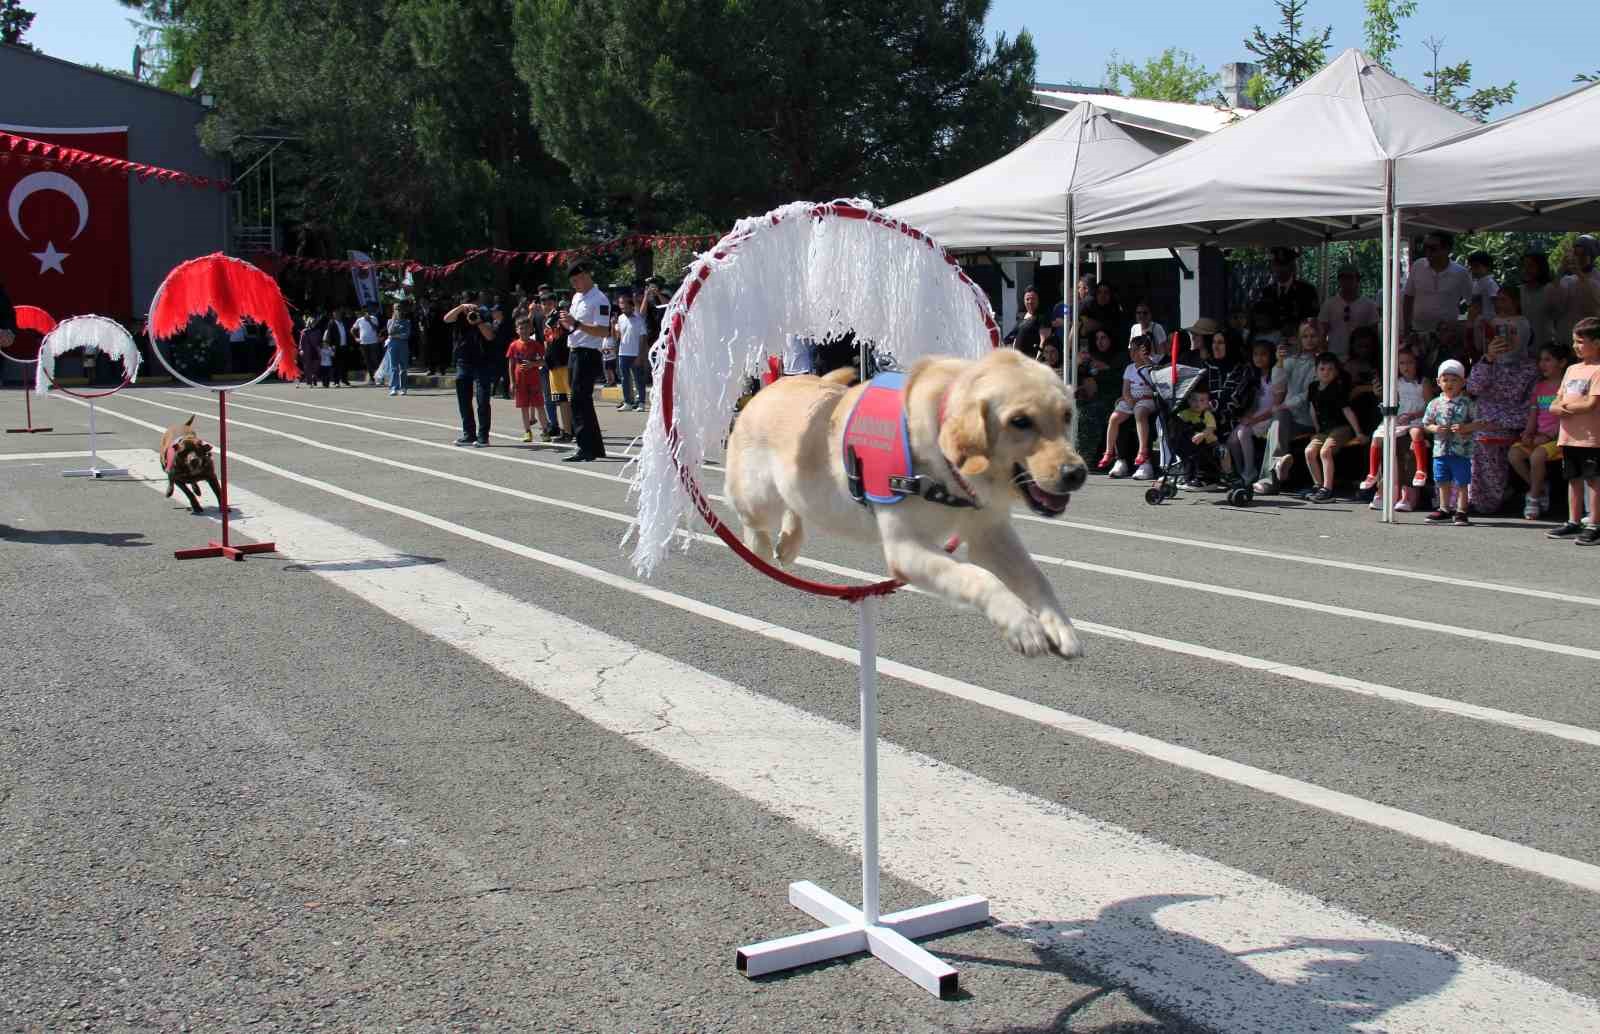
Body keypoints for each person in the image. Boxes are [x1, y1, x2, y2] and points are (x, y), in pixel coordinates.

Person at [1462, 326, 1536, 515]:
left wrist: (1501, 421)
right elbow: (1473, 387)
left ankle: (1486, 500)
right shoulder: (1488, 362)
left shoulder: (1531, 368)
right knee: (1456, 435)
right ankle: (1462, 498)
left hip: (1510, 422)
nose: (1507, 339)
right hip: (1480, 420)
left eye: (1513, 333)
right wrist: (1489, 359)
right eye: (1503, 333)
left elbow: (1532, 405)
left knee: (1484, 440)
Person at [1252, 319, 1324, 495]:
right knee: (1277, 421)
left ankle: (1269, 479)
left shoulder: (1323, 362)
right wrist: (1279, 362)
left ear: (1321, 337)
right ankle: (1276, 466)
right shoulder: (1294, 359)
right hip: (1289, 415)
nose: (1309, 340)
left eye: (1313, 336)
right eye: (1305, 336)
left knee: (1277, 421)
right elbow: (1278, 384)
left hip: (1310, 417)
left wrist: (1284, 405)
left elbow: (1309, 393)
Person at [1546, 318, 1600, 544]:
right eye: (1574, 342)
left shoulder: (1598, 370)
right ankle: (1573, 521)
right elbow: (1554, 402)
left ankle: (1595, 524)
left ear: (1597, 342)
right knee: (1573, 479)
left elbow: (1590, 403)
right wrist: (1559, 406)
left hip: (1591, 438)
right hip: (1568, 437)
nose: (1576, 346)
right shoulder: (1571, 369)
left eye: (1580, 342)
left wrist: (1564, 407)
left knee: (1593, 481)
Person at [1361, 348, 1429, 513]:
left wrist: (1413, 414)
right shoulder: (1396, 382)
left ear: (1416, 363)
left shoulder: (1423, 382)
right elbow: (1393, 403)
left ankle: (1420, 471)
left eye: (1410, 362)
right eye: (1402, 363)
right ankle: (1373, 475)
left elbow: (1429, 405)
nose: (1406, 366)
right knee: (1378, 436)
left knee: (1415, 434)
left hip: (1417, 418)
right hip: (1400, 419)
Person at [1509, 344, 1570, 520]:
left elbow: (1566, 417)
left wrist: (1548, 436)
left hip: (1559, 439)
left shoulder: (1566, 387)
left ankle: (1534, 497)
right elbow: (1533, 415)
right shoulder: (1539, 387)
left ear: (1562, 362)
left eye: (1547, 360)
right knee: (1514, 454)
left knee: (1537, 456)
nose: (1542, 364)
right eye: (1540, 360)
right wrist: (1528, 433)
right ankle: (1540, 487)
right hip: (1539, 438)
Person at [1421, 359, 1484, 526]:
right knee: (1442, 480)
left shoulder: (1468, 403)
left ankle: (1462, 510)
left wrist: (1465, 427)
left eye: (1454, 380)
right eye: (1445, 380)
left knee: (1462, 481)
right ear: (1438, 382)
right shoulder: (1434, 403)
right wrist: (1435, 429)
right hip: (1440, 450)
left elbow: (1479, 422)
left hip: (1461, 450)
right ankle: (1444, 508)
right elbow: (1426, 423)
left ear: (1463, 382)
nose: (1449, 383)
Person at [561, 259, 609, 462]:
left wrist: (577, 324)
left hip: (588, 353)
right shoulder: (577, 297)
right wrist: (566, 323)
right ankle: (595, 447)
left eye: (576, 280)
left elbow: (603, 330)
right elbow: (574, 326)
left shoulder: (599, 299)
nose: (574, 285)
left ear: (585, 276)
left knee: (580, 400)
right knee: (582, 401)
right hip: (574, 350)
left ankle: (585, 447)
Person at [1303, 352, 1365, 503]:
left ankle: (1327, 488)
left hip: (1341, 428)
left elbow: (1347, 410)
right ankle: (1318, 485)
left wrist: (1358, 432)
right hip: (1324, 430)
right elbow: (1312, 408)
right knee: (1309, 451)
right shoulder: (1313, 387)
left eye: (1330, 369)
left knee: (1325, 451)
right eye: (1322, 369)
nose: (1326, 372)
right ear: (1316, 371)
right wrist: (1317, 429)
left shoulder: (1337, 388)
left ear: (1336, 372)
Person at [1098, 334, 1157, 479]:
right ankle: (1109, 452)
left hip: (1147, 400)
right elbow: (1125, 390)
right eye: (1131, 349)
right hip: (1132, 400)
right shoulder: (1129, 368)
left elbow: (1157, 383)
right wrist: (1129, 400)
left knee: (1140, 412)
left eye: (1136, 350)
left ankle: (1143, 452)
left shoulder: (1151, 366)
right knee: (1114, 418)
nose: (1131, 353)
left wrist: (1147, 361)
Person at [444, 290, 497, 447]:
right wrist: (461, 308)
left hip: (482, 361)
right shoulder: (459, 313)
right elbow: (446, 319)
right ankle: (469, 434)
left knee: (482, 400)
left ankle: (483, 436)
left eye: (472, 304)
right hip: (463, 360)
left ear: (478, 302)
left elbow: (490, 336)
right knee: (464, 400)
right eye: (467, 303)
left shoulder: (484, 313)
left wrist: (478, 321)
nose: (470, 309)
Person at [1403, 232, 1471, 344]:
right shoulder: (1418, 266)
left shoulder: (1461, 273)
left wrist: (1465, 329)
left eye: (1432, 248)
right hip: (1418, 332)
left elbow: (1472, 303)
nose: (1428, 252)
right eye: (1425, 248)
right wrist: (1406, 328)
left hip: (1448, 335)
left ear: (1447, 249)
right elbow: (1408, 297)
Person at [1074, 327, 1125, 463]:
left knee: (1091, 412)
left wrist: (1106, 368)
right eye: (1097, 339)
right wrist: (1078, 364)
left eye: (1103, 338)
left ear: (1110, 339)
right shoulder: (1093, 356)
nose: (1100, 342)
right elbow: (1082, 376)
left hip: (1113, 397)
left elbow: (1121, 379)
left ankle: (1089, 456)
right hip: (1093, 396)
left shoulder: (1120, 357)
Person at [1228, 341, 1276, 484]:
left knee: (1244, 433)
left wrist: (1255, 419)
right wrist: (1247, 415)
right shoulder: (1253, 376)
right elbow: (1251, 402)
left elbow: (1275, 406)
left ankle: (1250, 471)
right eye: (1256, 354)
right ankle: (1240, 470)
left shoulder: (1276, 376)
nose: (1259, 358)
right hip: (1255, 416)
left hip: (1270, 416)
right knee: (1232, 440)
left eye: (1263, 354)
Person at [1249, 247, 1319, 339]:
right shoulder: (1267, 291)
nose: (1280, 269)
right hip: (1272, 340)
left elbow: (1313, 317)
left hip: (1297, 339)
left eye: (1284, 265)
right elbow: (1259, 317)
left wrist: (1298, 328)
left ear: (1292, 267)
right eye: (1276, 265)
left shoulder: (1306, 290)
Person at [1318, 265, 1380, 358]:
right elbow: (1322, 333)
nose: (1347, 281)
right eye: (1343, 278)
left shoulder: (1369, 305)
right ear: (1339, 281)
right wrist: (1324, 354)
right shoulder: (1329, 304)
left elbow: (1374, 333)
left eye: (1350, 277)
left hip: (1361, 358)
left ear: (1357, 280)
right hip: (1335, 356)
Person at [507, 315, 550, 443]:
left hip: (534, 380)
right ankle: (527, 431)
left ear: (531, 329)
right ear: (516, 330)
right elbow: (511, 364)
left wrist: (533, 364)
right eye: (521, 328)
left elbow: (544, 362)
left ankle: (545, 431)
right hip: (520, 381)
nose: (524, 331)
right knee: (524, 407)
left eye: (526, 328)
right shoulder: (514, 345)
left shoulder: (536, 345)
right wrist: (512, 382)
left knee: (539, 406)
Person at [1554, 235, 1600, 350]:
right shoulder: (1567, 279)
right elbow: (1552, 301)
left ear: (1592, 257)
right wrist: (1561, 270)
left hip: (1589, 342)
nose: (1578, 258)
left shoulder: (1597, 278)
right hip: (1565, 339)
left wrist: (1578, 273)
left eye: (1583, 255)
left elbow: (1594, 302)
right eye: (1576, 254)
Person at [1172, 384, 1220, 486]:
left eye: (1202, 400)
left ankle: (1202, 478)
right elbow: (1177, 420)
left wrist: (1202, 434)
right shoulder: (1184, 413)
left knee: (1201, 458)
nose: (1197, 403)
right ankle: (1188, 477)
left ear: (1207, 403)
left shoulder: (1207, 414)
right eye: (1194, 400)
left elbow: (1211, 428)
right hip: (1192, 443)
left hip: (1208, 443)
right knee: (1188, 456)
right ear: (1188, 401)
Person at [542, 295, 574, 443]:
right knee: (561, 400)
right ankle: (567, 431)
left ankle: (576, 429)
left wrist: (562, 317)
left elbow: (571, 330)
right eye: (543, 303)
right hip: (553, 364)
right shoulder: (546, 321)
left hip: (565, 362)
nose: (546, 305)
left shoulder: (560, 316)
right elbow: (547, 341)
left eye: (549, 302)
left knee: (571, 398)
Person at [614, 288, 649, 411]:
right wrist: (614, 329)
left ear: (630, 304)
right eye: (620, 304)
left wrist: (640, 356)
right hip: (623, 353)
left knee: (639, 378)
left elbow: (643, 337)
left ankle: (641, 403)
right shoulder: (620, 318)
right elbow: (618, 337)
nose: (622, 307)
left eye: (624, 304)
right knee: (624, 379)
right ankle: (628, 402)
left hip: (635, 353)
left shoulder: (638, 318)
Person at [1519, 252, 1558, 356]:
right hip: (1524, 349)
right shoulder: (1520, 291)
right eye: (1524, 266)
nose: (1526, 270)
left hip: (1546, 348)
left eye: (1530, 266)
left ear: (1541, 268)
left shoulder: (1550, 289)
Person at [1004, 285, 1051, 360]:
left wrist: (1037, 360)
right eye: (1027, 299)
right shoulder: (1021, 316)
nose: (1030, 302)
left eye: (1033, 299)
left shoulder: (1042, 317)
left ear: (1038, 300)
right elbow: (1014, 336)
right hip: (1018, 360)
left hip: (1031, 360)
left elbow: (1044, 342)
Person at [383, 303, 411, 396]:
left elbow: (406, 335)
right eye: (396, 309)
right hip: (392, 346)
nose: (398, 310)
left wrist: (396, 335)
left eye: (399, 309)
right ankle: (394, 388)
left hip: (403, 346)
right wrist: (394, 321)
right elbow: (389, 332)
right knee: (393, 367)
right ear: (393, 310)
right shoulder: (390, 321)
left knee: (403, 368)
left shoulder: (407, 322)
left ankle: (403, 388)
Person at [353, 307, 383, 385]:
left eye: (367, 311)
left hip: (373, 342)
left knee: (375, 360)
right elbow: (352, 329)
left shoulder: (374, 318)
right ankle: (372, 378)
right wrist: (356, 337)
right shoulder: (359, 320)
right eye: (364, 311)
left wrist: (369, 321)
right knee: (367, 361)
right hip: (363, 343)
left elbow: (376, 328)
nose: (366, 313)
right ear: (363, 312)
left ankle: (379, 378)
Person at [1466, 251, 1500, 320]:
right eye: (1471, 267)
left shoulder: (1490, 283)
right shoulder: (1476, 283)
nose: (1473, 270)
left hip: (1490, 321)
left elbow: (1498, 304)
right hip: (1478, 322)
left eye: (1476, 266)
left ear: (1487, 267)